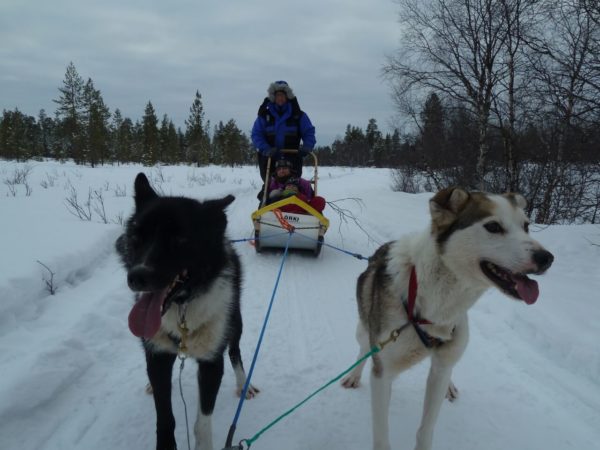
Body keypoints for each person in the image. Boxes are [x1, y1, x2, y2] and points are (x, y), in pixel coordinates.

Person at [251, 80, 316, 181]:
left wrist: (307, 146)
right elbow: (256, 134)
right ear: (273, 97)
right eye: (277, 95)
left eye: (282, 95)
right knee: (270, 188)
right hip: (270, 159)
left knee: (293, 186)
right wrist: (265, 148)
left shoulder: (298, 115)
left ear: (287, 96)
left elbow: (308, 132)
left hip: (292, 160)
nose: (280, 98)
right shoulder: (265, 116)